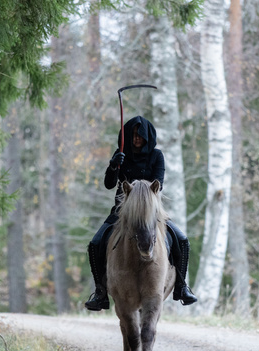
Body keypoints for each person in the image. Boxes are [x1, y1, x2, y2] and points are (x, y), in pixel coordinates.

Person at [85, 115, 198, 311]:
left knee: (182, 240)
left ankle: (181, 286)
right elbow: (109, 184)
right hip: (122, 213)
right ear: (128, 135)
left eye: (140, 135)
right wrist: (113, 165)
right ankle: (100, 292)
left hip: (152, 212)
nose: (137, 138)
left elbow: (158, 184)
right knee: (95, 243)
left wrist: (140, 193)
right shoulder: (120, 154)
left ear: (147, 137)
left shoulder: (156, 156)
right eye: (134, 134)